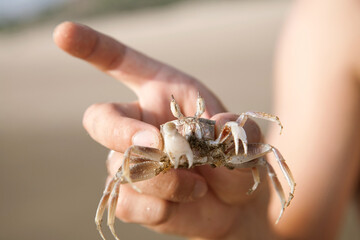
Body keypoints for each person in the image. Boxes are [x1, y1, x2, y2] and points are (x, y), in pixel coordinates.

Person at [53, 0, 360, 239]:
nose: (191, 129)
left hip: (216, 150)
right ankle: (103, 221)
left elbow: (258, 141)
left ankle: (285, 191)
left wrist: (265, 174)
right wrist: (240, 231)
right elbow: (306, 233)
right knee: (122, 172)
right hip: (168, 157)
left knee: (265, 153)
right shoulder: (332, 22)